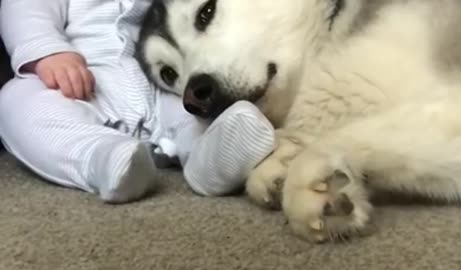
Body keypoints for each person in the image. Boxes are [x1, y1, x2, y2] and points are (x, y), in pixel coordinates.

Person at [0, 0, 275, 203]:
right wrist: (48, 51)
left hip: (162, 84)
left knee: (192, 119)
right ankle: (102, 157)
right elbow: (25, 9)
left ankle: (211, 160)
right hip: (84, 82)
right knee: (16, 101)